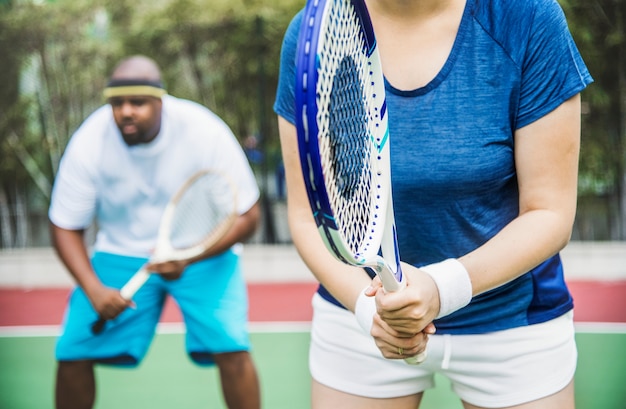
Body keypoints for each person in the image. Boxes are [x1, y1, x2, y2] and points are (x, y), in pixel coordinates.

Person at [274, 0, 593, 408]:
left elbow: (550, 213)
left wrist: (440, 289)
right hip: (364, 320)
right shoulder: (313, 36)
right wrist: (372, 313)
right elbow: (307, 216)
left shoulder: (528, 17)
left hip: (511, 319)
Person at [49, 55, 262, 409]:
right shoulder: (90, 140)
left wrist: (188, 255)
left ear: (161, 101)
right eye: (117, 103)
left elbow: (247, 217)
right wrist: (94, 290)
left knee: (232, 347)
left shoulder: (203, 130)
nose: (125, 112)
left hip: (200, 255)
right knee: (72, 353)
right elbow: (65, 226)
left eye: (138, 103)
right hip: (120, 253)